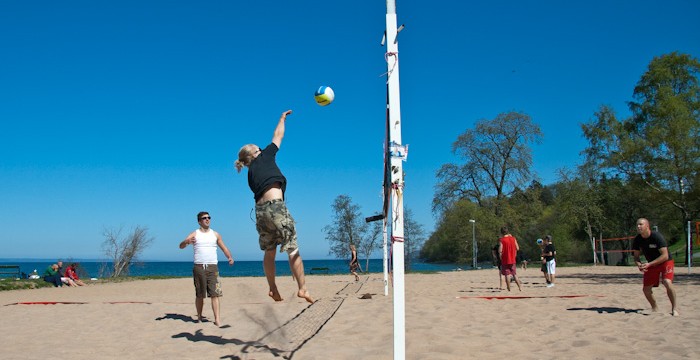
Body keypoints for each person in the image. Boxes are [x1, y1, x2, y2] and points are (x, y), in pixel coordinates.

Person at [234, 110, 314, 304]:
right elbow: (278, 136)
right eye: (259, 148)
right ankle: (302, 289)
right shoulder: (264, 157)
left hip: (260, 213)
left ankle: (272, 288)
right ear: (255, 153)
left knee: (269, 252)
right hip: (275, 208)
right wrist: (281, 119)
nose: (262, 149)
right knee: (292, 249)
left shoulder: (250, 173)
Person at [180, 211, 235, 326]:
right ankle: (199, 317)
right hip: (199, 267)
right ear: (199, 221)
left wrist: (229, 257)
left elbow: (223, 247)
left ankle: (217, 319)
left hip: (212, 267)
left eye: (208, 217)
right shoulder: (194, 234)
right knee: (200, 294)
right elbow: (181, 246)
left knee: (215, 294)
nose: (207, 219)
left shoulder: (215, 234)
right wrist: (187, 241)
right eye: (204, 218)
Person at [632, 218, 678, 316]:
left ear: (647, 226)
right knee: (646, 289)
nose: (638, 227)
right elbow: (636, 256)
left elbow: (665, 255)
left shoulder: (656, 236)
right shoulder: (637, 239)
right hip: (651, 264)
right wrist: (639, 265)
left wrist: (650, 264)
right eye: (637, 225)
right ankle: (655, 308)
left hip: (665, 261)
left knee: (667, 282)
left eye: (641, 224)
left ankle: (674, 309)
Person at [498, 226, 522, 291]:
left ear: (501, 233)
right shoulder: (513, 238)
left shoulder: (502, 240)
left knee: (507, 274)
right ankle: (519, 287)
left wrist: (500, 256)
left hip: (505, 259)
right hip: (512, 258)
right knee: (514, 274)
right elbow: (517, 248)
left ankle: (509, 288)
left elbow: (500, 250)